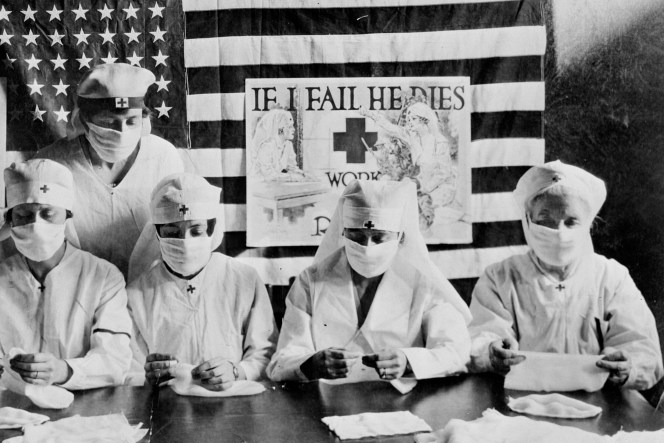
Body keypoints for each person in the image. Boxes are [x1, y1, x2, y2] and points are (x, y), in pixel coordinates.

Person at [468, 161, 663, 390]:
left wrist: (628, 367)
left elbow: (643, 350)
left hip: (599, 403)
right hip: (519, 401)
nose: (559, 232)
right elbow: (480, 337)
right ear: (528, 221)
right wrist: (492, 352)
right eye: (545, 221)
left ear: (589, 225)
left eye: (571, 221)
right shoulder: (499, 278)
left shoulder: (611, 278)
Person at [0, 63, 184, 278]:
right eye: (108, 122)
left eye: (131, 121)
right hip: (75, 287)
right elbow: (19, 235)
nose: (121, 132)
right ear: (83, 119)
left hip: (146, 289)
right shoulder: (52, 163)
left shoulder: (163, 157)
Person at [267, 179, 471, 384]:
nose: (367, 246)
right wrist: (310, 364)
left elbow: (455, 351)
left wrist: (408, 361)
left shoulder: (423, 282)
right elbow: (282, 361)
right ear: (343, 231)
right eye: (356, 236)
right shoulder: (311, 281)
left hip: (402, 406)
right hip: (326, 403)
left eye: (379, 237)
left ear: (400, 237)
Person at [0, 159, 133, 391]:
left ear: (67, 217)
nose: (36, 225)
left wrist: (64, 371)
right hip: (12, 409)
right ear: (9, 220)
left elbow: (115, 361)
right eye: (24, 215)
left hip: (84, 411)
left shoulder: (103, 277)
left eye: (48, 214)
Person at [127, 174, 277, 391]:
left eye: (196, 231)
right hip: (170, 409)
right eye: (173, 233)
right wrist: (146, 376)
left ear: (212, 229)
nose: (185, 243)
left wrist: (237, 371)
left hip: (235, 405)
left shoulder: (244, 279)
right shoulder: (137, 295)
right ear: (157, 233)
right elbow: (128, 369)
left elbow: (266, 355)